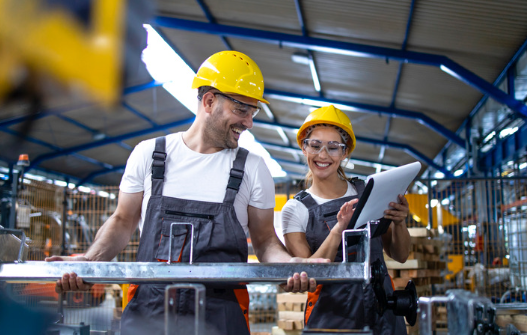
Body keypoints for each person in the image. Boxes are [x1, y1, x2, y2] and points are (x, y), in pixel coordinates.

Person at [47, 51, 326, 335]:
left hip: (219, 317)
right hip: (149, 312)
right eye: (242, 110)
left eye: (252, 113)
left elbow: (265, 241)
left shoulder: (253, 168)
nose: (249, 123)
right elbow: (122, 221)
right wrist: (91, 262)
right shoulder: (151, 155)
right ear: (209, 101)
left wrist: (290, 265)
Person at [281, 105, 411, 334]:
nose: (323, 155)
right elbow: (309, 275)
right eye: (315, 145)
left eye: (333, 147)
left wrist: (399, 222)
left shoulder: (368, 191)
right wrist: (338, 230)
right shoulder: (295, 210)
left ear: (345, 152)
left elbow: (400, 256)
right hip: (330, 317)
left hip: (383, 310)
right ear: (304, 148)